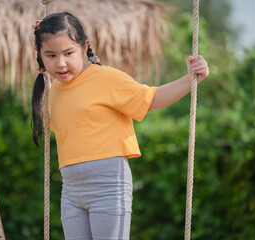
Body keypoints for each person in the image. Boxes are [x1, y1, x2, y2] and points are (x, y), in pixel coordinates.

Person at [31, 12, 209, 240]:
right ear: (40, 56)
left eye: (68, 53)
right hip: (71, 192)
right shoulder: (51, 92)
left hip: (108, 186)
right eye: (51, 55)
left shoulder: (107, 78)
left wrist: (190, 79)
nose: (61, 62)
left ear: (85, 48)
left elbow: (152, 98)